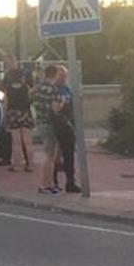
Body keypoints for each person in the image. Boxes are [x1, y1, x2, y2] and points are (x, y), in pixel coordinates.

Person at [32, 64, 64, 194]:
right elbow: (56, 108)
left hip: (40, 121)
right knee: (50, 155)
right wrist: (62, 102)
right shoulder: (54, 89)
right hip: (50, 123)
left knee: (49, 154)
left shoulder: (38, 88)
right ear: (55, 74)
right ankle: (45, 184)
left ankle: (48, 184)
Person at [51, 66, 82, 194]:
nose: (63, 77)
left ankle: (70, 182)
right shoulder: (51, 89)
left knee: (69, 155)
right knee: (53, 155)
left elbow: (74, 106)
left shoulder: (68, 89)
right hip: (55, 124)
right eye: (60, 75)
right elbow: (55, 108)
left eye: (64, 75)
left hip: (68, 125)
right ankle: (53, 181)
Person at [1, 58, 33, 172]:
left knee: (16, 142)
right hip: (25, 113)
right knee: (28, 141)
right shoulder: (26, 88)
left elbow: (6, 103)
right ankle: (30, 164)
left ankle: (17, 164)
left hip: (13, 113)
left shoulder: (8, 89)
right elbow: (30, 99)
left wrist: (4, 116)